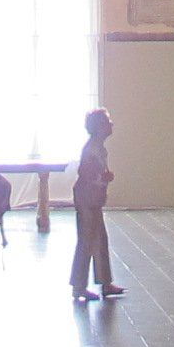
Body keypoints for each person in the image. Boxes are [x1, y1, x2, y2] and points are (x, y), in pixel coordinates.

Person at [70, 109, 122, 304]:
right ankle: (79, 286)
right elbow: (86, 172)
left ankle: (105, 282)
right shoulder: (92, 148)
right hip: (87, 198)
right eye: (107, 122)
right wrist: (103, 178)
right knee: (87, 240)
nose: (111, 125)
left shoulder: (97, 147)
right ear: (99, 127)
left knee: (100, 239)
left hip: (92, 198)